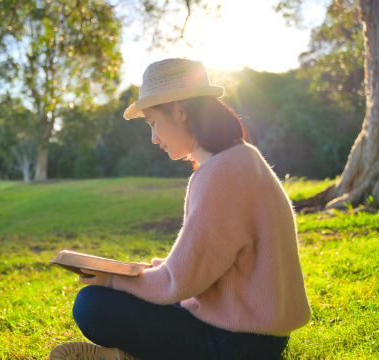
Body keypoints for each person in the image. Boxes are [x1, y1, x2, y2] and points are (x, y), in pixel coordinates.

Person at [48, 58, 312, 360]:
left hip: (237, 344)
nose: (154, 137)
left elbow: (180, 283)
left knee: (92, 304)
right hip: (251, 332)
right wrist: (145, 273)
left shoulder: (222, 173)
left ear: (179, 111)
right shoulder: (239, 159)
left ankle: (127, 356)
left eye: (152, 122)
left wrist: (111, 279)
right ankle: (125, 355)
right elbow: (206, 266)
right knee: (114, 297)